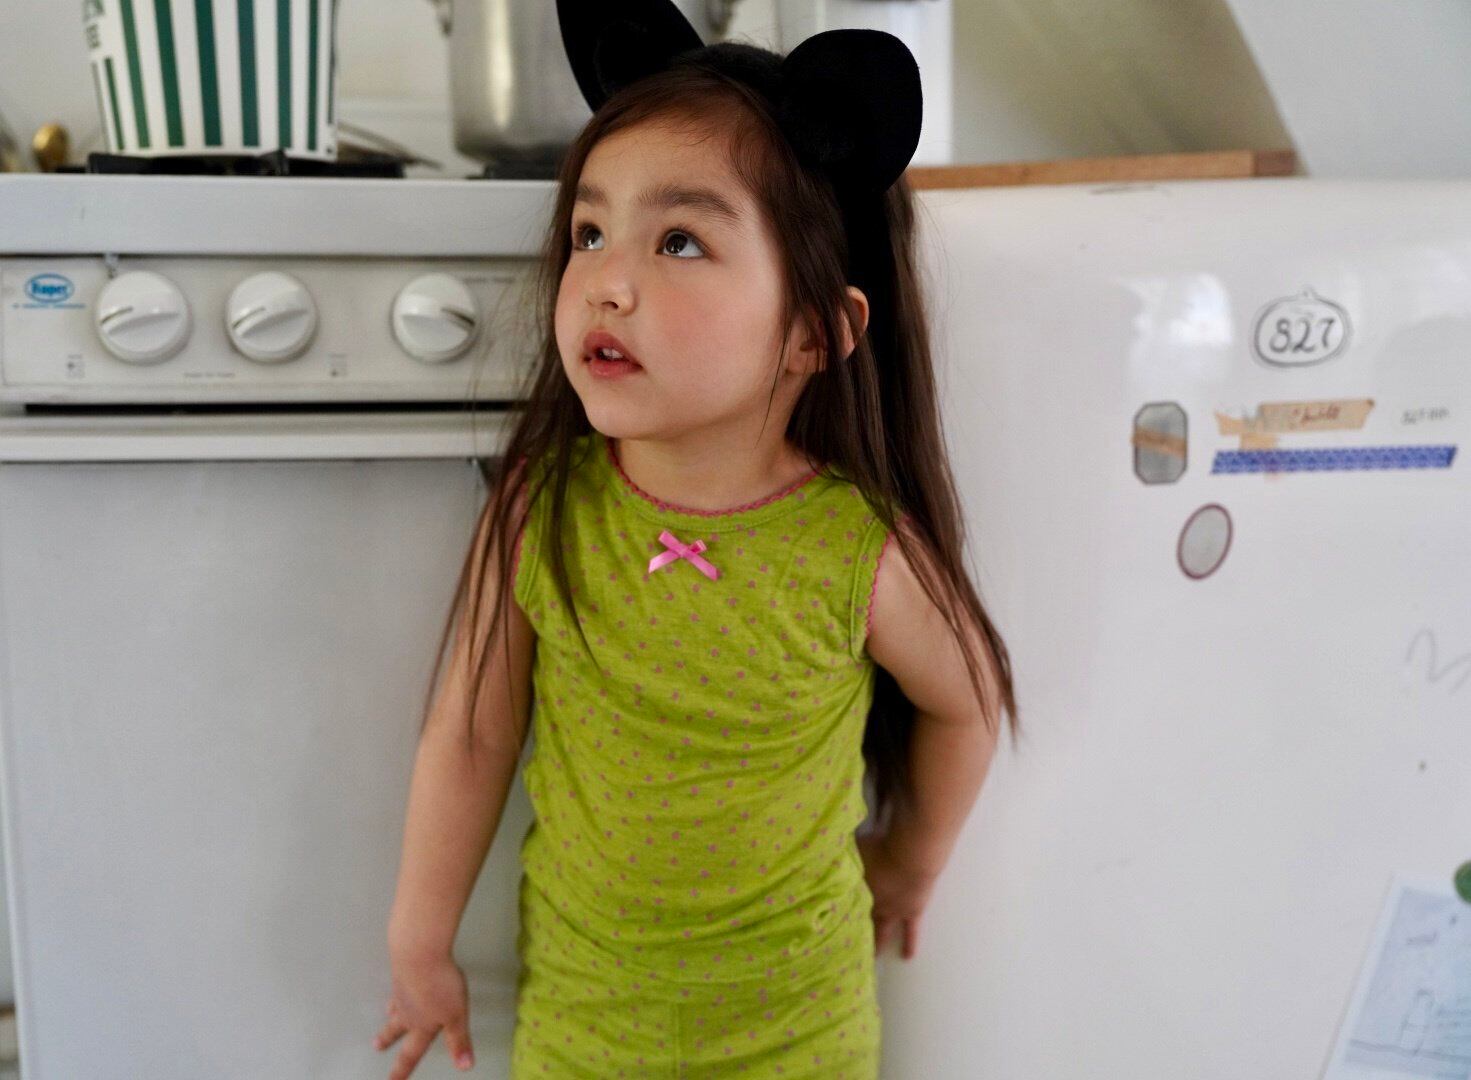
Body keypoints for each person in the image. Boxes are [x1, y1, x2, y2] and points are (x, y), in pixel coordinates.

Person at [374, 1, 1018, 1075]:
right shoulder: (542, 507)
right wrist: (418, 935)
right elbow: (472, 733)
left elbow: (967, 699)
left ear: (814, 331)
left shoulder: (857, 549)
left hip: (799, 1039)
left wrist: (911, 860)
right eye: (590, 233)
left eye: (679, 240)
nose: (606, 281)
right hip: (583, 1034)